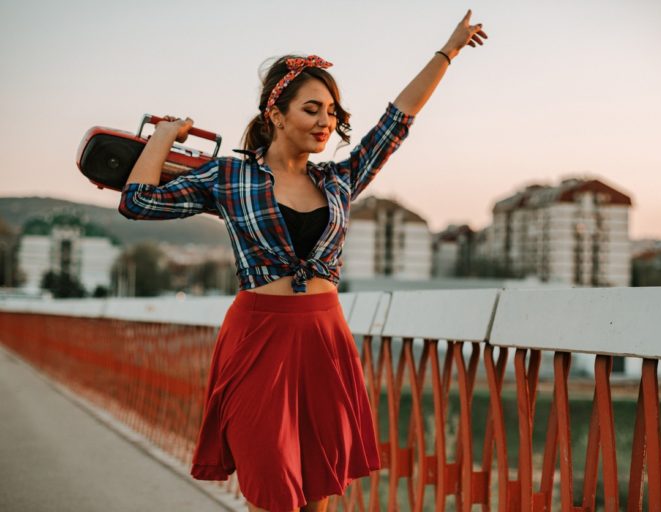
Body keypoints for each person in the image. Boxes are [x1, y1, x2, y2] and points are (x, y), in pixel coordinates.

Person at [118, 9, 487, 512]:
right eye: (312, 109)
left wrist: (449, 51)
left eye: (332, 112)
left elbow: (396, 121)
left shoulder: (339, 179)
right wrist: (163, 136)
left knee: (317, 490)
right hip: (258, 340)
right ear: (277, 114)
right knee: (272, 489)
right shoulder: (229, 177)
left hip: (324, 340)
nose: (325, 122)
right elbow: (139, 202)